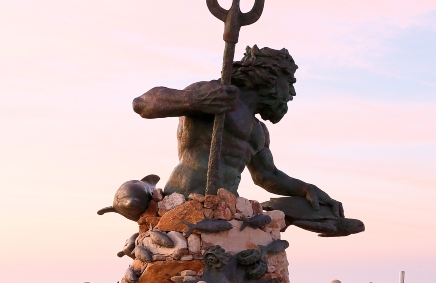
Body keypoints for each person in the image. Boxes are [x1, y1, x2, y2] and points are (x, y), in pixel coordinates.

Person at [133, 46, 363, 237]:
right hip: (185, 198)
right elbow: (143, 104)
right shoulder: (215, 94)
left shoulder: (258, 130)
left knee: (301, 208)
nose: (291, 93)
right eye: (289, 82)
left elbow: (267, 176)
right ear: (270, 77)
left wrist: (306, 188)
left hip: (227, 206)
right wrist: (191, 100)